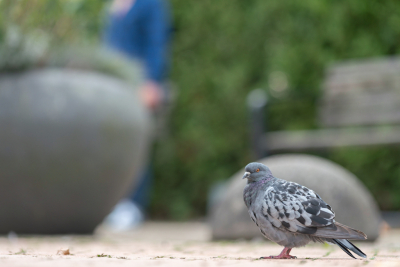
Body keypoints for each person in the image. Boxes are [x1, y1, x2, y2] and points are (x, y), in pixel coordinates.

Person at [103, 0, 172, 230]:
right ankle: (113, 203)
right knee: (113, 143)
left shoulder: (151, 4)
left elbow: (157, 43)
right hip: (114, 85)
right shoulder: (114, 4)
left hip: (138, 84)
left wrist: (152, 82)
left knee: (137, 144)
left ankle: (132, 205)